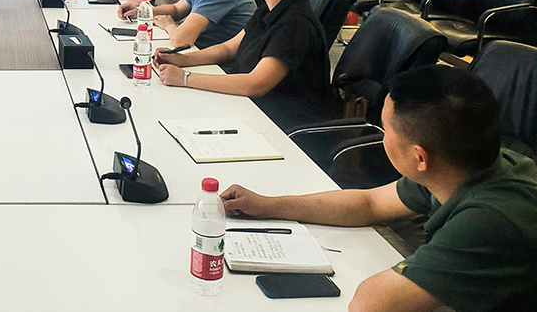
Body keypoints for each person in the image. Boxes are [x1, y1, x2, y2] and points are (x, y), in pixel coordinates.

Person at [222, 65, 537, 312]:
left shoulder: (490, 221)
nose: (383, 137)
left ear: (419, 157)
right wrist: (266, 205)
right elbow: (370, 204)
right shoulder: (461, 164)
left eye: (386, 129)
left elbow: (369, 305)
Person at [153, 0, 332, 131]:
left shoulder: (296, 24)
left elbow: (255, 84)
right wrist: (181, 59)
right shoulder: (270, 7)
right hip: (251, 108)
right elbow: (229, 48)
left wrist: (185, 78)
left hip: (283, 125)